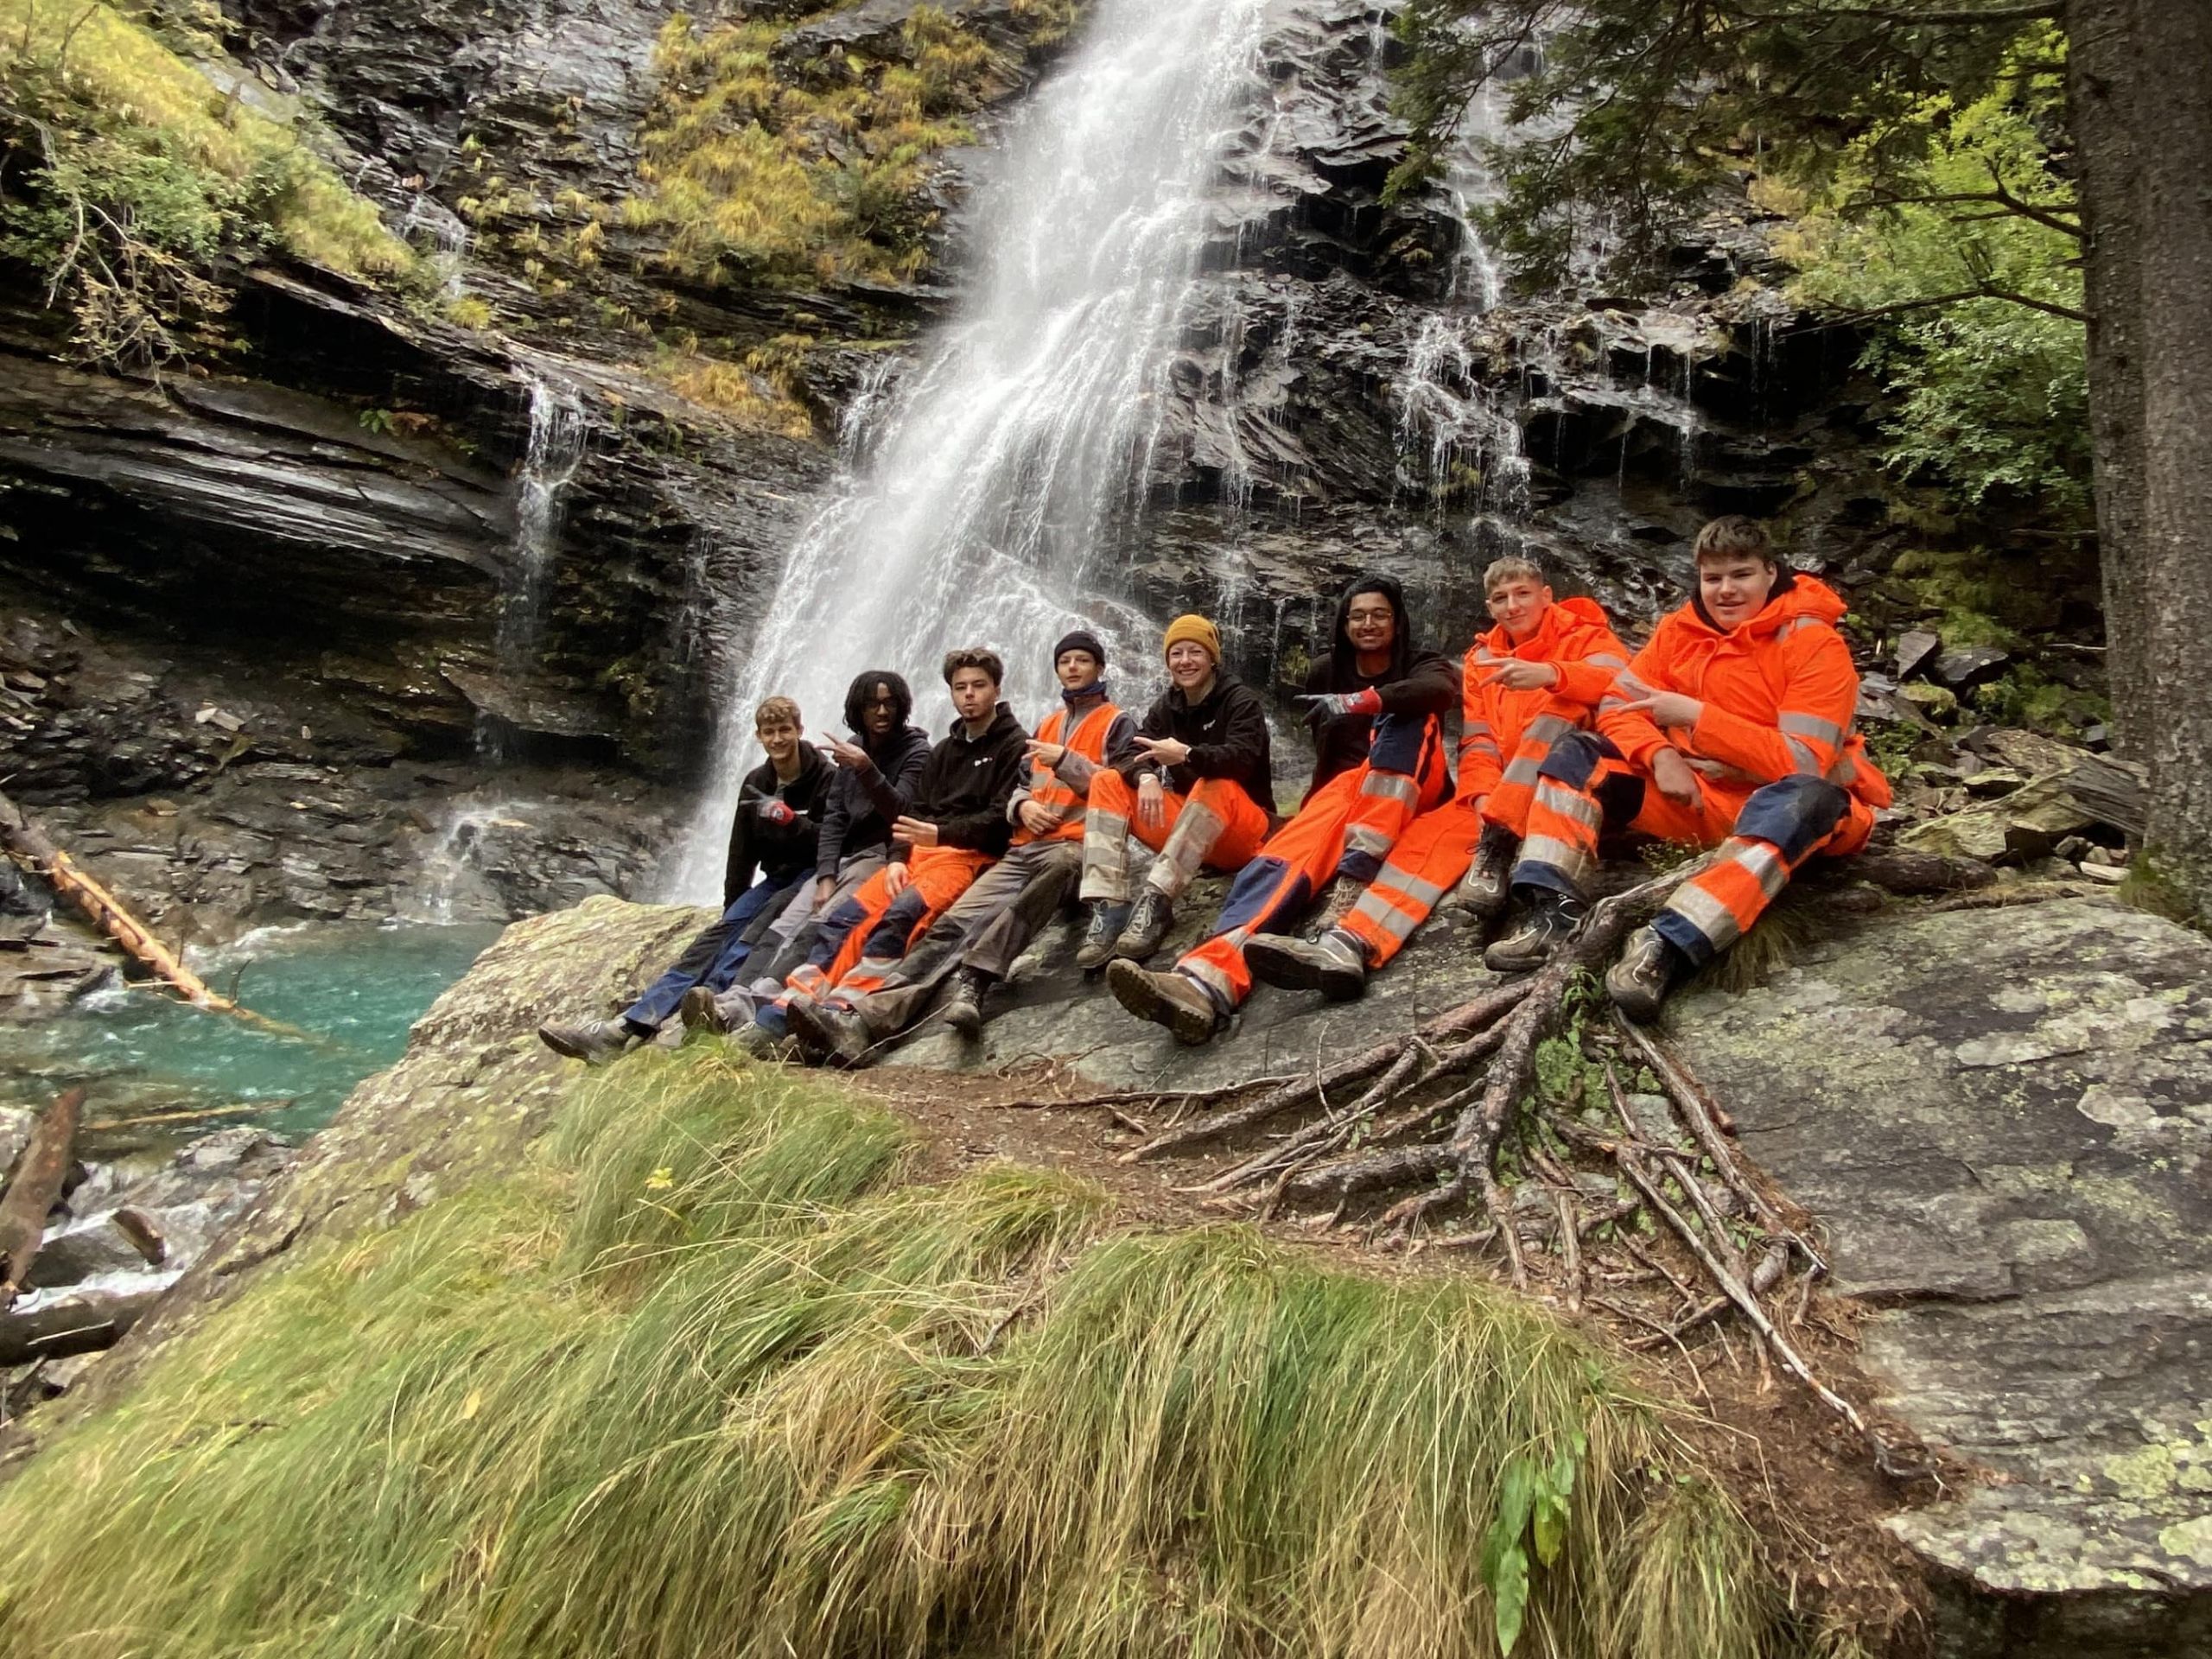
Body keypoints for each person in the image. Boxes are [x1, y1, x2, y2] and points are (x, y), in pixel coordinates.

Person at [1499, 515, 1891, 1020]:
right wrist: (1659, 756)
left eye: (1741, 575)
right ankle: (1553, 912)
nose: (1725, 590)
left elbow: (1803, 762)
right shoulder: (1678, 630)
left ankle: (1666, 945)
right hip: (1700, 799)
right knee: (1580, 752)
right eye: (1713, 578)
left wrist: (1695, 718)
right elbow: (1620, 700)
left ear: (1771, 573)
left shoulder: (1814, 644)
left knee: (1803, 796)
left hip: (1795, 814)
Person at [1244, 557, 1637, 1001]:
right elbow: (1479, 741)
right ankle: (1351, 942)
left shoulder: (1588, 636)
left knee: (1559, 709)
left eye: (1523, 594)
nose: (1513, 606)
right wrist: (1480, 796)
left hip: (1571, 791)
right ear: (1489, 606)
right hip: (1503, 796)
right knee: (1425, 842)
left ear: (1546, 596)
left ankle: (1501, 843)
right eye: (1501, 598)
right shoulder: (1482, 660)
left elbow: (1625, 686)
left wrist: (1553, 675)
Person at [1107, 572, 1456, 1044]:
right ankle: (1204, 982)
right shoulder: (1323, 671)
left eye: (1380, 615)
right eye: (1357, 616)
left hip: (1418, 788)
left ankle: (1351, 886)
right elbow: (1330, 758)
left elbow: (1439, 691)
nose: (1368, 624)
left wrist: (1360, 701)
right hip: (1345, 792)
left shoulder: (1421, 662)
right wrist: (1311, 813)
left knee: (1403, 716)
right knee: (1280, 861)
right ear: (1343, 624)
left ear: (1398, 621)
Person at [785, 631, 1138, 1064]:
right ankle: (851, 1019)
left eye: (1083, 660)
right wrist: (1022, 806)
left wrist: (1065, 768)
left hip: (1070, 847)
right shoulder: (1041, 726)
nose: (969, 696)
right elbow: (1013, 791)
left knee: (915, 915)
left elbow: (1123, 784)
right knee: (939, 929)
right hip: (1021, 847)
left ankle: (972, 977)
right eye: (1065, 660)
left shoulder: (1114, 722)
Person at [741, 647, 1029, 1048]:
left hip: (965, 859)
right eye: (960, 687)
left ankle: (842, 1009)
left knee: (900, 917)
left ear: (996, 688)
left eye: (978, 686)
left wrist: (939, 837)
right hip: (916, 854)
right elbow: (913, 813)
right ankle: (791, 1003)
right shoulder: (946, 749)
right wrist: (897, 859)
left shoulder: (1016, 745)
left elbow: (1001, 822)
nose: (969, 695)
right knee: (846, 918)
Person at [537, 696, 827, 1061]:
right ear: (758, 736)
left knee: (748, 943)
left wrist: (792, 821)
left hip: (812, 877)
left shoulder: (826, 778)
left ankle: (701, 1016)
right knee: (714, 940)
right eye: (770, 732)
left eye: (785, 730)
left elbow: (835, 839)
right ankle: (630, 1025)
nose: (778, 739)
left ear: (800, 730)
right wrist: (731, 907)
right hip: (775, 877)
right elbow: (742, 851)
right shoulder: (757, 782)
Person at [686, 669, 930, 1027]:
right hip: (842, 858)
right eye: (872, 704)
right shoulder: (853, 748)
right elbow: (834, 817)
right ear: (857, 709)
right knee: (785, 923)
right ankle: (734, 999)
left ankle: (765, 1007)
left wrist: (866, 769)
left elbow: (903, 810)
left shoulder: (916, 752)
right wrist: (827, 873)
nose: (881, 711)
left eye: (889, 703)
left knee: (821, 922)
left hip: (880, 854)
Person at [1071, 613, 1275, 969]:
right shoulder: (1169, 705)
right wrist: (1147, 777)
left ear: (1212, 657)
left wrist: (1187, 755)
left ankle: (1158, 901)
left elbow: (1242, 759)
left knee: (1214, 782)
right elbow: (1128, 751)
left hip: (1243, 833)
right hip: (1191, 836)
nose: (1185, 661)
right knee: (1107, 781)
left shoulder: (1240, 701)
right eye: (1176, 654)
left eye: (1194, 652)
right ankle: (1110, 906)